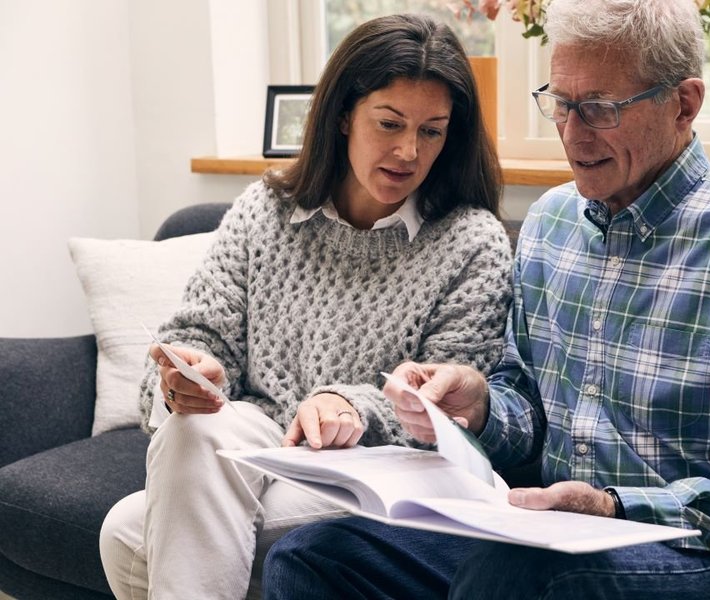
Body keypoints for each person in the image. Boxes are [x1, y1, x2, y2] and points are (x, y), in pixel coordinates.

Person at [262, 1, 710, 599]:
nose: (572, 134)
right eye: (561, 104)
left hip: (704, 556)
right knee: (315, 556)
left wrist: (614, 507)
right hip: (543, 537)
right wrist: (481, 408)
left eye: (599, 109)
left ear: (684, 104)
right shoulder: (551, 225)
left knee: (522, 572)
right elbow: (529, 411)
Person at [98, 13, 513, 600]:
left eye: (432, 131)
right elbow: (198, 336)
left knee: (129, 532)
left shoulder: (471, 241)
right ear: (343, 114)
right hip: (264, 447)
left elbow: (448, 415)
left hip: (384, 470)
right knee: (189, 436)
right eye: (390, 123)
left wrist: (352, 403)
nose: (407, 151)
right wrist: (187, 377)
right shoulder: (264, 210)